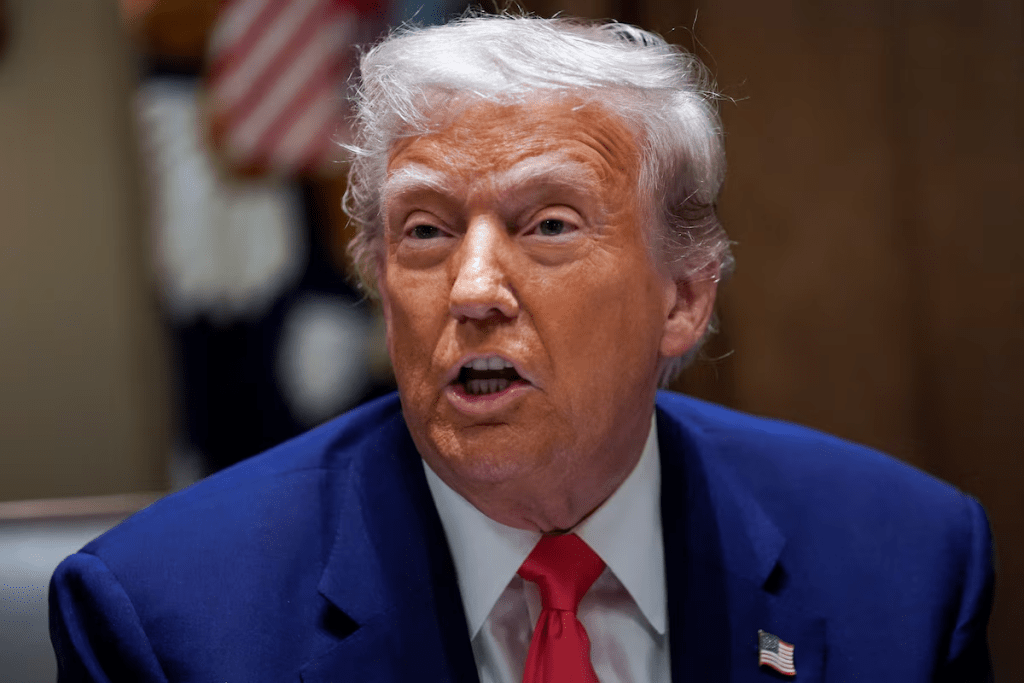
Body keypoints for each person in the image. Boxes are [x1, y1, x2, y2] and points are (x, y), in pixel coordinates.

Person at [49, 14, 993, 683]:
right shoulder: (165, 622)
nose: (470, 288)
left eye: (546, 224)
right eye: (423, 231)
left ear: (685, 298)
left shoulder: (907, 564)